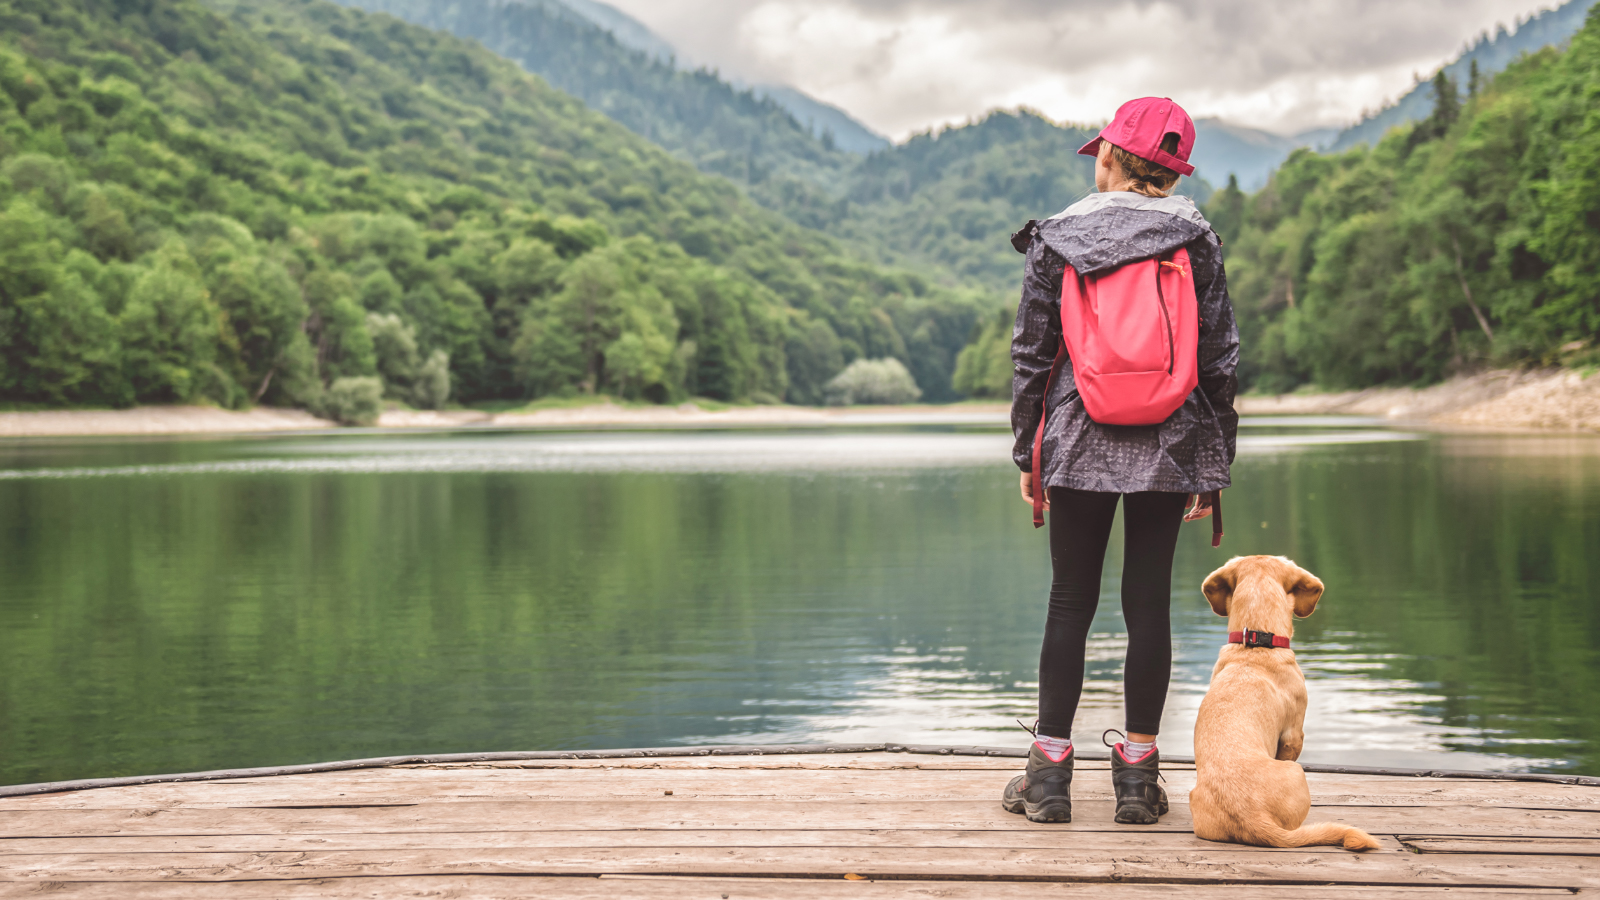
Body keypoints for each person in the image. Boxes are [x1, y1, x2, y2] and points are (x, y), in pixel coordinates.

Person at [1001, 97, 1239, 825]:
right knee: (1147, 607)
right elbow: (1219, 357)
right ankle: (1138, 781)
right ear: (1170, 174)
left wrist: (1026, 451)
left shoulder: (1058, 236)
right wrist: (1213, 460)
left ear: (1110, 157)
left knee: (1070, 600)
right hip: (1169, 440)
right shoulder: (1195, 237)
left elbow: (1032, 356)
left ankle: (1048, 780)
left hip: (1076, 438)